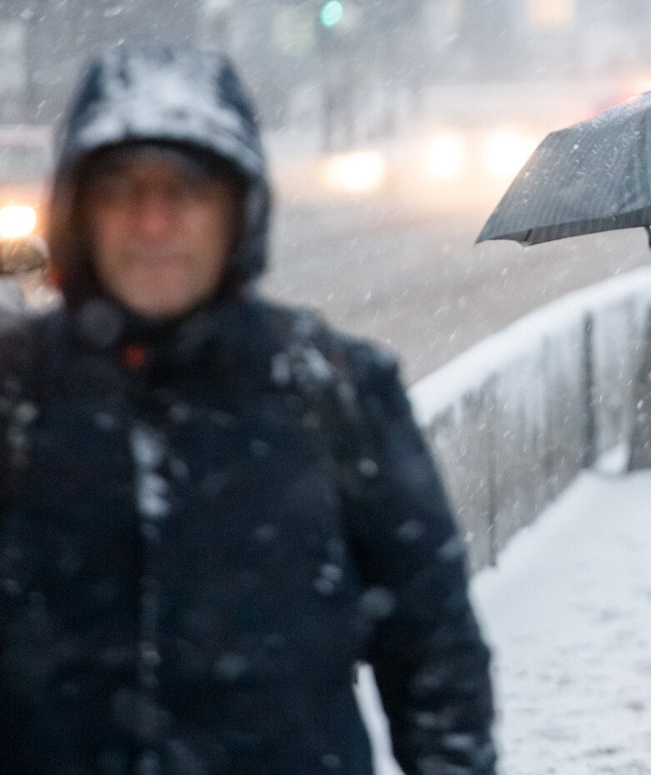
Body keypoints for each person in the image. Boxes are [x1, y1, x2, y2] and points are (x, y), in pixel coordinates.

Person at [0, 46, 497, 775]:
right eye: (120, 191)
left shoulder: (335, 391)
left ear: (240, 211)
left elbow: (436, 660)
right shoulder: (15, 396)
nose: (154, 222)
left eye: (189, 191)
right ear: (80, 213)